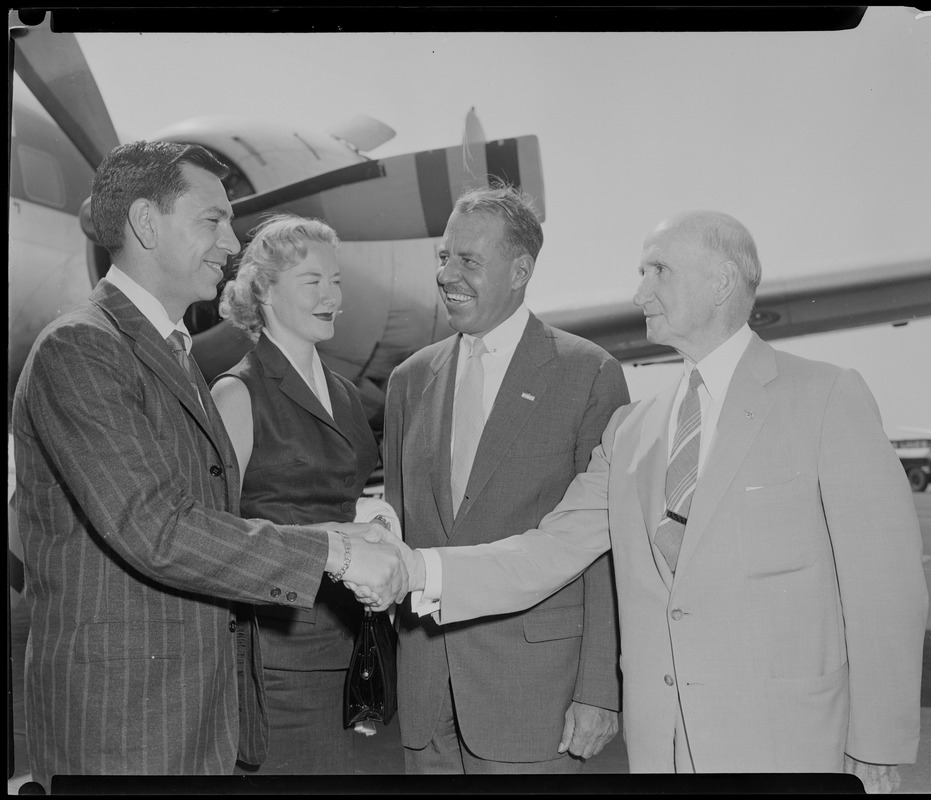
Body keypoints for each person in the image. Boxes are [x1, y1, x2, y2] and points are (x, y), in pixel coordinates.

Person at [364, 210, 929, 791]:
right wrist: (417, 568)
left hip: (790, 741)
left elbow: (886, 586)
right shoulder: (631, 431)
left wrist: (878, 742)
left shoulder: (827, 397)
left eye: (659, 270)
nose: (639, 291)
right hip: (663, 745)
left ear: (722, 283)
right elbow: (550, 550)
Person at [11, 141, 405, 790]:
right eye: (211, 220)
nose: (231, 240)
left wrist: (337, 532)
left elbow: (209, 517)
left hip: (195, 716)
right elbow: (154, 528)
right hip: (124, 728)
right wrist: (332, 552)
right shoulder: (82, 347)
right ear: (145, 223)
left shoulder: (173, 352)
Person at [381, 185, 629, 773]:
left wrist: (599, 689)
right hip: (426, 695)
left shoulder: (588, 372)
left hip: (535, 698)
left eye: (468, 260)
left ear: (521, 270)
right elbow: (398, 523)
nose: (447, 274)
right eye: (443, 257)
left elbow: (601, 547)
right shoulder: (409, 379)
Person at [210, 214, 396, 774]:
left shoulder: (343, 393)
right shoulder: (237, 393)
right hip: (276, 650)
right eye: (312, 281)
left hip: (348, 641)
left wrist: (374, 520)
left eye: (336, 281)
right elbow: (217, 534)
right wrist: (341, 537)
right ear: (263, 289)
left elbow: (340, 493)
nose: (331, 296)